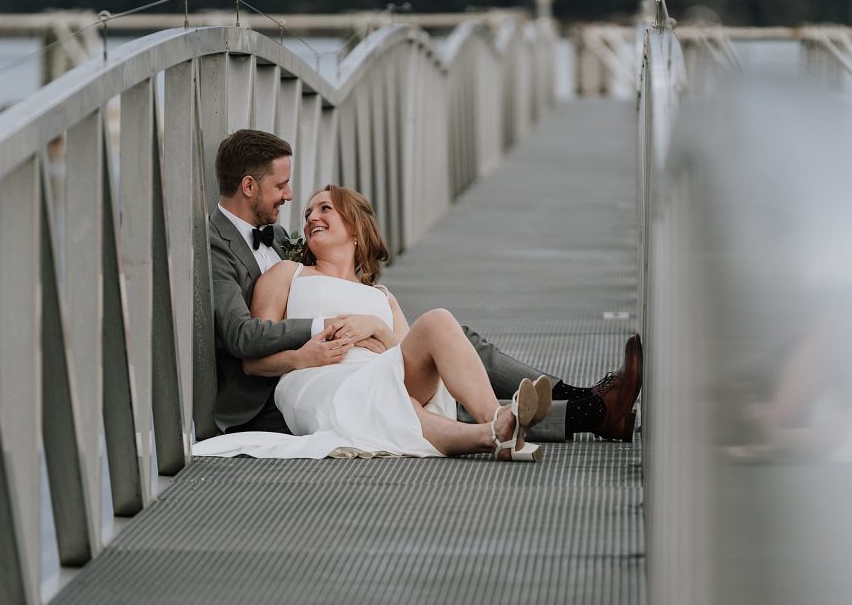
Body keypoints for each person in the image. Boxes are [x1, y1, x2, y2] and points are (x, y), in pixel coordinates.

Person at [205, 129, 641, 444]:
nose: (292, 201)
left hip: (374, 362)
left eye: (322, 209)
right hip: (283, 392)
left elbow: (388, 333)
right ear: (248, 186)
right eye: (282, 187)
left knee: (453, 364)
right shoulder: (222, 248)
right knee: (456, 380)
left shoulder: (280, 239)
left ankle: (589, 410)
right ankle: (588, 409)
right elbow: (244, 338)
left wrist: (372, 326)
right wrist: (321, 334)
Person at [197, 185, 554, 460]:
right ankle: (498, 430)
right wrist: (307, 357)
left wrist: (378, 328)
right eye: (307, 213)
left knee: (439, 321)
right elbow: (254, 362)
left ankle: (494, 419)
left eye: (325, 209)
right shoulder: (287, 274)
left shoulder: (380, 296)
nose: (310, 218)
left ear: (354, 227)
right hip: (320, 379)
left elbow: (409, 357)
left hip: (383, 370)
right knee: (402, 406)